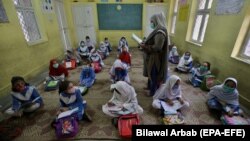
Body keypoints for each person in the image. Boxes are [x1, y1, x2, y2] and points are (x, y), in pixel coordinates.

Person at [139, 12, 169, 96]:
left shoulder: (160, 32)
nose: (151, 23)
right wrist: (145, 43)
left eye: (152, 21)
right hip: (152, 57)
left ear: (157, 20)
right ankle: (149, 87)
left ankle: (152, 92)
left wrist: (144, 46)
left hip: (155, 59)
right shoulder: (157, 30)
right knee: (150, 73)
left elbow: (157, 48)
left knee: (154, 74)